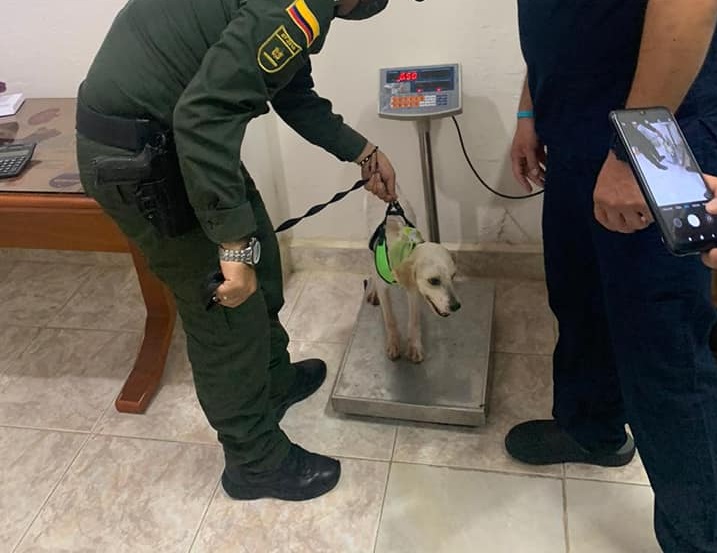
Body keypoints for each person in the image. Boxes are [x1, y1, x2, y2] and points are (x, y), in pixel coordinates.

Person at [75, 0, 398, 503]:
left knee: (261, 260)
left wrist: (362, 151)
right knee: (227, 309)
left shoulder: (303, 6)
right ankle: (254, 463)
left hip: (181, 145)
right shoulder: (294, 5)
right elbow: (202, 117)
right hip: (143, 158)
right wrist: (230, 244)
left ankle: (271, 383)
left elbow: (289, 89)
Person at [507, 1, 717, 551]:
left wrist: (633, 153)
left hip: (660, 138)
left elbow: (689, 8)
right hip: (577, 136)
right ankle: (592, 428)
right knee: (579, 299)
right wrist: (531, 112)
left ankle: (698, 539)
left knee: (668, 359)